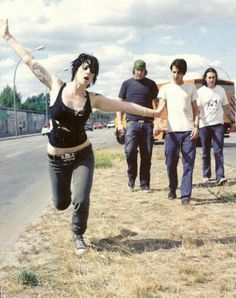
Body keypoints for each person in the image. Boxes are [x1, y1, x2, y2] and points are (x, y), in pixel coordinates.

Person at [0, 19, 163, 256]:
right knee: (61, 203)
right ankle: (70, 212)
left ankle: (78, 234)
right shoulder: (55, 84)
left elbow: (124, 104)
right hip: (56, 159)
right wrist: (8, 38)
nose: (89, 73)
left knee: (81, 198)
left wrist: (153, 113)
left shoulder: (93, 99)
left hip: (82, 155)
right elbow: (29, 61)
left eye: (93, 71)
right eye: (86, 68)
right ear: (76, 68)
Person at [157, 58, 199, 205]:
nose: (175, 75)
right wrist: (157, 122)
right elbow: (160, 109)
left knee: (188, 163)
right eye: (174, 72)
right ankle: (172, 187)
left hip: (188, 131)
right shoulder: (165, 89)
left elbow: (196, 110)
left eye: (179, 73)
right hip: (171, 132)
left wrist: (196, 126)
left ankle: (185, 194)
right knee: (170, 163)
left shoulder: (191, 89)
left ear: (184, 73)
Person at [116, 59, 159, 193]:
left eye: (142, 70)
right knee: (130, 152)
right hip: (131, 124)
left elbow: (157, 104)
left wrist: (157, 121)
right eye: (137, 70)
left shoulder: (151, 84)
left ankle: (144, 184)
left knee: (146, 155)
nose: (139, 72)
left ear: (145, 70)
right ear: (133, 70)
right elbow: (120, 105)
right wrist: (119, 123)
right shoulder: (126, 84)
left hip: (147, 124)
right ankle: (131, 179)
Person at [197, 67, 236, 186]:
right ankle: (206, 175)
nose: (211, 80)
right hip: (204, 125)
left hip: (218, 125)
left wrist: (233, 120)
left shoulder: (221, 90)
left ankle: (220, 176)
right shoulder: (200, 92)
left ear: (216, 78)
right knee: (205, 151)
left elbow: (226, 107)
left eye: (213, 77)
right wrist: (195, 125)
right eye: (209, 77)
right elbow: (197, 110)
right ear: (205, 78)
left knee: (218, 151)